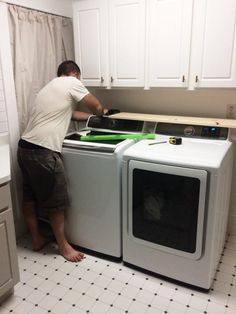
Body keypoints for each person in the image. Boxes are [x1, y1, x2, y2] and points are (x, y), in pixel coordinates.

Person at [17, 60, 106, 262]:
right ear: (74, 73)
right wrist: (103, 113)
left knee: (30, 196)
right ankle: (64, 246)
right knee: (56, 200)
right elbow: (96, 105)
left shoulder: (49, 87)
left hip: (24, 147)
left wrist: (91, 118)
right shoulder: (71, 82)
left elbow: (71, 113)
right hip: (43, 151)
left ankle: (37, 238)